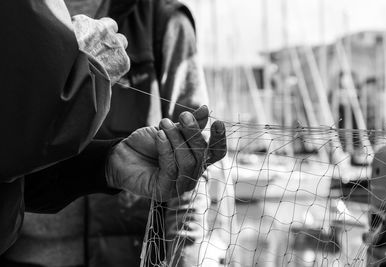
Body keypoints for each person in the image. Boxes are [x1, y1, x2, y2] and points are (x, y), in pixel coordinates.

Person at [0, 0, 227, 261]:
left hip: (128, 255)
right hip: (20, 254)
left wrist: (184, 256)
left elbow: (191, 161)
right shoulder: (14, 13)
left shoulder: (164, 17)